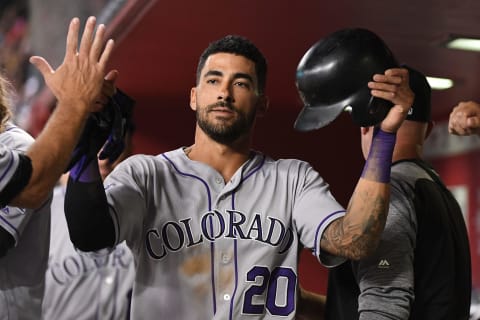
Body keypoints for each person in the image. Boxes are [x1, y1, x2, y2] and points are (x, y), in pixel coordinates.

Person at [64, 35, 413, 319]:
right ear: (194, 96)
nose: (224, 93)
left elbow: (355, 241)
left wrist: (384, 137)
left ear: (262, 104)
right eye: (213, 80)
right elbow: (89, 234)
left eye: (241, 83)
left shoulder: (293, 179)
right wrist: (82, 150)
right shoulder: (147, 175)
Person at [324, 66, 472, 320]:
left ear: (364, 128)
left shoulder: (390, 190)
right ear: (428, 130)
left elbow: (384, 306)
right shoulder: (435, 189)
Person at [0, 16, 115, 319]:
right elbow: (33, 183)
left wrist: (76, 106)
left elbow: (30, 184)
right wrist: (75, 102)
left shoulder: (15, 146)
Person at [42, 121, 136, 320]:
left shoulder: (146, 209)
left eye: (111, 144)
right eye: (94, 142)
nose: (101, 158)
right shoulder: (40, 213)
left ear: (129, 147)